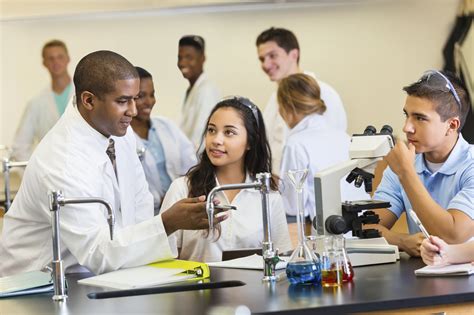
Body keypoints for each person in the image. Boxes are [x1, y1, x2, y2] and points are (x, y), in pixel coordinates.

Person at [0, 51, 228, 277]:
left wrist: (151, 242)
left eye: (135, 98)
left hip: (99, 273)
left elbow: (139, 204)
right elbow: (96, 252)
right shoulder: (62, 161)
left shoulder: (119, 133)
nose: (134, 110)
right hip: (36, 286)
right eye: (122, 101)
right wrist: (168, 223)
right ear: (88, 100)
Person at [161, 96, 292, 262]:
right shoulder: (182, 189)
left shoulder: (267, 195)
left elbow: (281, 259)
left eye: (229, 132)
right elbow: (164, 259)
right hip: (196, 287)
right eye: (211, 130)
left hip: (252, 288)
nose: (216, 140)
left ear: (250, 141)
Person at [367, 70, 474, 257]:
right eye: (406, 115)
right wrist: (402, 241)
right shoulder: (405, 165)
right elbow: (367, 226)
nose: (406, 127)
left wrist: (407, 174)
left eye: (420, 118)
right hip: (421, 277)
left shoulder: (470, 165)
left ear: (452, 125)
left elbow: (453, 236)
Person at [256, 27, 347, 175]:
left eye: (273, 56)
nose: (266, 65)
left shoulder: (324, 94)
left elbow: (334, 150)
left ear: (294, 54)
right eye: (262, 59)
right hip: (279, 187)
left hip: (313, 190)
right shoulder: (274, 99)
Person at [277, 73, 367, 219]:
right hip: (361, 226)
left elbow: (293, 206)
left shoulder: (295, 144)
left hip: (327, 232)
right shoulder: (343, 137)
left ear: (287, 106)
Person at [131, 66, 197, 214]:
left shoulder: (166, 126)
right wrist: (163, 200)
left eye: (152, 94)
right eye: (141, 96)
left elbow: (192, 165)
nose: (149, 101)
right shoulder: (120, 139)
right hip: (147, 215)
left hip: (182, 206)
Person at [11, 39, 74, 161]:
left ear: (68, 59)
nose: (56, 62)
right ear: (44, 63)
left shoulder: (85, 97)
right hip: (50, 172)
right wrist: (35, 173)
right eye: (50, 58)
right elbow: (20, 146)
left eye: (60, 57)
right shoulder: (36, 103)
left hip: (84, 171)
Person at [177, 35, 221, 149]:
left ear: (202, 58)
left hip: (196, 161)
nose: (182, 63)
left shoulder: (206, 91)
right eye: (180, 57)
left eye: (189, 57)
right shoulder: (192, 89)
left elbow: (201, 139)